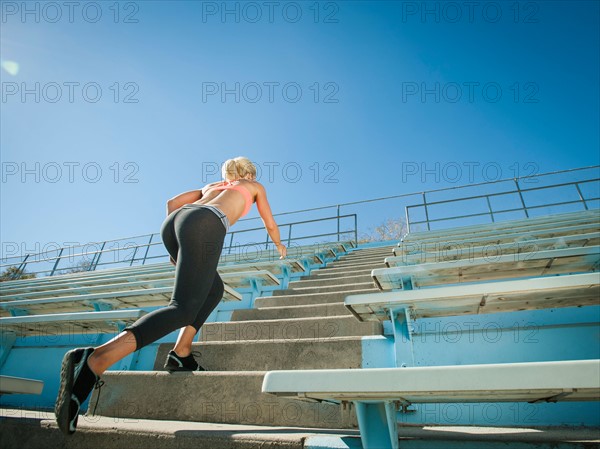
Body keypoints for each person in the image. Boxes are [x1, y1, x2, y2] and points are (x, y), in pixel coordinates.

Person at [55, 157, 287, 435]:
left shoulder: (211, 186)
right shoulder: (253, 185)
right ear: (248, 173)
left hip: (176, 223)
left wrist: (174, 250)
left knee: (214, 289)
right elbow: (270, 223)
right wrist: (279, 244)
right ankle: (94, 361)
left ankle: (181, 352)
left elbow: (171, 203)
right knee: (181, 309)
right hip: (205, 224)